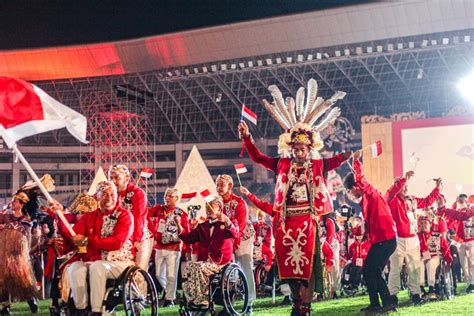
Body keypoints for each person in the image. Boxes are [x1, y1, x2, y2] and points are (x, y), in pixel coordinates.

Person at [50, 181, 134, 316]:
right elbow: (73, 237)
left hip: (119, 261)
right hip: (94, 261)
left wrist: (88, 240)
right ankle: (80, 309)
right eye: (105, 194)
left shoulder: (125, 215)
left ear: (117, 196)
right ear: (97, 197)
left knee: (97, 267)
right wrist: (59, 217)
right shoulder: (90, 216)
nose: (109, 197)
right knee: (75, 268)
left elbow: (116, 243)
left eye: (112, 194)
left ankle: (97, 310)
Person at [343, 150, 397, 313]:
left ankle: (382, 303)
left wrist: (356, 162)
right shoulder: (366, 201)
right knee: (371, 270)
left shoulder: (370, 193)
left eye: (350, 191)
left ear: (355, 187)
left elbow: (360, 179)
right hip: (382, 239)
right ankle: (382, 303)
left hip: (385, 239)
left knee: (370, 270)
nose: (351, 195)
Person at [384, 171, 441, 306]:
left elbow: (427, 201)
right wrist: (404, 179)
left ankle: (416, 294)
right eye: (402, 185)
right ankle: (393, 295)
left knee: (414, 267)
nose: (405, 187)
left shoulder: (412, 200)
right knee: (395, 269)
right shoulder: (392, 200)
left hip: (413, 239)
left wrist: (437, 188)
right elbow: (390, 193)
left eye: (406, 185)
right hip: (397, 239)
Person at [177, 196, 238, 307]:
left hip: (221, 263)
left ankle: (203, 298)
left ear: (219, 208)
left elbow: (235, 234)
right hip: (205, 261)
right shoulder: (202, 226)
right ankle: (192, 299)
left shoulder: (227, 223)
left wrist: (227, 221)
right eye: (207, 207)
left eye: (211, 206)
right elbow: (189, 239)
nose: (208, 209)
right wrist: (179, 226)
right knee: (189, 267)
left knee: (198, 267)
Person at [215, 174, 256, 312]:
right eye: (217, 185)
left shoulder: (239, 202)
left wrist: (233, 245)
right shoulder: (217, 204)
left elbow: (242, 226)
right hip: (228, 240)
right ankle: (228, 303)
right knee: (227, 271)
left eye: (221, 185)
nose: (218, 188)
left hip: (243, 238)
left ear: (230, 186)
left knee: (245, 267)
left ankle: (249, 302)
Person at [148, 187, 190, 307]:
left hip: (173, 247)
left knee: (171, 274)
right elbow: (145, 213)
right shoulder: (159, 209)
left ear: (176, 198)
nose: (167, 198)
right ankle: (171, 293)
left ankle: (170, 299)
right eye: (166, 195)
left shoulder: (181, 213)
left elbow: (186, 231)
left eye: (170, 196)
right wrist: (153, 231)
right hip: (159, 246)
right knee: (158, 274)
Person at [108, 165, 153, 270]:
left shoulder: (137, 193)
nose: (113, 181)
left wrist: (136, 239)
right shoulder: (110, 195)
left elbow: (139, 218)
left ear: (127, 178)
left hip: (141, 238)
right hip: (122, 239)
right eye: (111, 178)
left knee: (139, 272)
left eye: (117, 178)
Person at [0, 192, 38, 315]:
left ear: (21, 204)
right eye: (12, 201)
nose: (12, 203)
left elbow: (24, 237)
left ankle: (31, 298)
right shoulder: (6, 216)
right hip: (4, 253)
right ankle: (6, 305)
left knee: (21, 278)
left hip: (17, 253)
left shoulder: (26, 220)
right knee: (4, 278)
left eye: (15, 202)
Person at [437, 198, 474, 293]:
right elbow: (449, 223)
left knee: (472, 262)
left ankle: (472, 283)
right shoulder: (456, 212)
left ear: (466, 202)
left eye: (462, 201)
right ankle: (469, 282)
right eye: (459, 201)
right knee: (463, 263)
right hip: (460, 241)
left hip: (471, 240)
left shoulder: (471, 210)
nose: (460, 203)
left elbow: (464, 216)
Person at [418, 216, 453, 299]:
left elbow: (445, 249)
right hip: (422, 258)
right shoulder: (417, 236)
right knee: (419, 264)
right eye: (421, 224)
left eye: (425, 223)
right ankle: (421, 288)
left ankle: (431, 288)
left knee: (430, 263)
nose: (423, 225)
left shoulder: (437, 235)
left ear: (430, 224)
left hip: (435, 257)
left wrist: (448, 260)